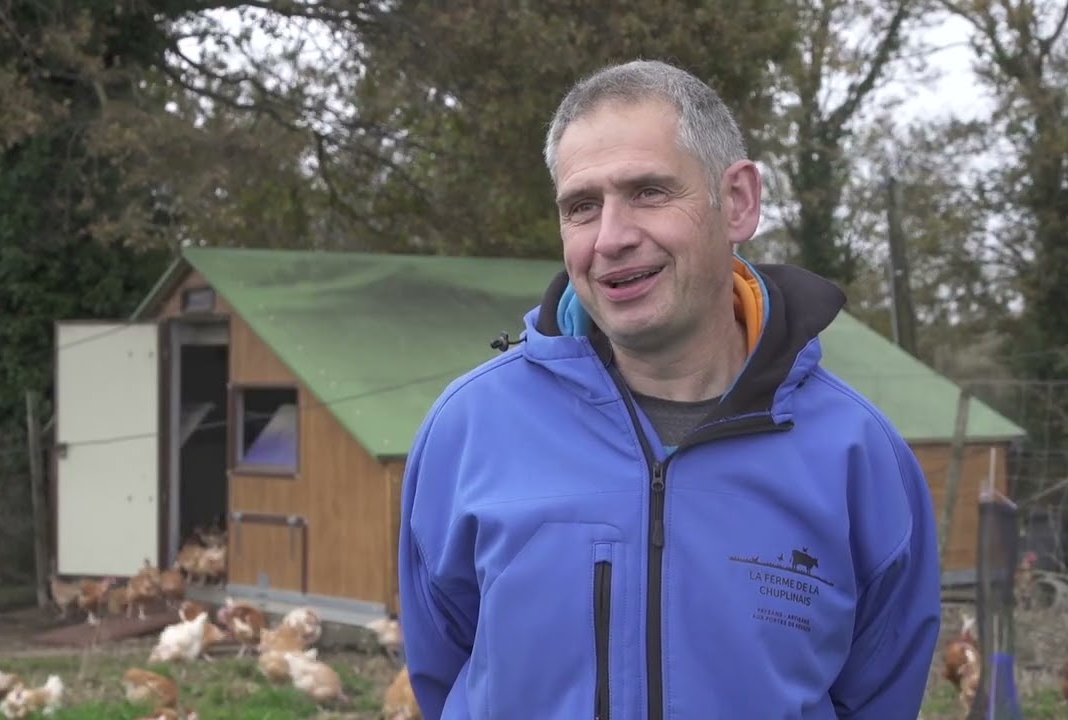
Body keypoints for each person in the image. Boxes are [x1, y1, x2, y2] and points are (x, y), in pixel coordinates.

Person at [397, 58, 942, 720]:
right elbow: (442, 669)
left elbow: (880, 695)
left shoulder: (857, 454)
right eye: (582, 206)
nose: (612, 238)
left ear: (737, 201)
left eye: (650, 192)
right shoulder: (469, 429)